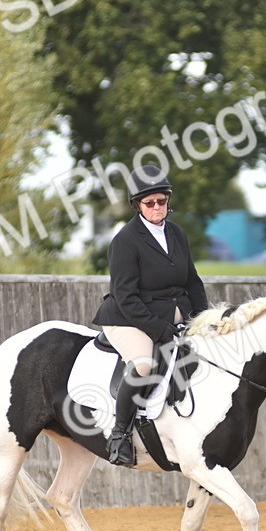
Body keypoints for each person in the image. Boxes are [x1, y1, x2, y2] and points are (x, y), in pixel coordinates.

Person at [92, 164, 209, 466]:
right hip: (127, 317)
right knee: (145, 365)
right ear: (138, 206)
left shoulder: (177, 234)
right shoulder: (125, 241)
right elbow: (126, 296)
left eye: (162, 200)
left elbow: (192, 282)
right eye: (150, 203)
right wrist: (159, 329)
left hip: (169, 317)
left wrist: (205, 319)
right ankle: (119, 436)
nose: (157, 207)